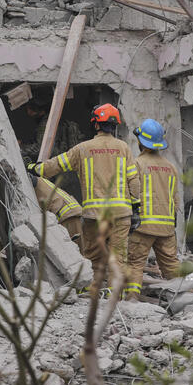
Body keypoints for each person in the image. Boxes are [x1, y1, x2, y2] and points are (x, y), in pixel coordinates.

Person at [27, 103, 140, 296]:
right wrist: (136, 208)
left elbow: (54, 166)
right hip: (121, 214)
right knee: (118, 257)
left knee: (92, 255)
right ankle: (115, 295)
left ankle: (91, 292)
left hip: (94, 216)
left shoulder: (83, 149)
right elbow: (134, 180)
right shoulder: (124, 148)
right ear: (115, 126)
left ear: (96, 124)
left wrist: (33, 168)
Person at [126, 118, 181, 300]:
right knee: (171, 265)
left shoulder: (136, 164)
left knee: (135, 264)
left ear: (140, 141)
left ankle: (132, 299)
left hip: (143, 226)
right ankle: (183, 299)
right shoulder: (171, 168)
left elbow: (130, 194)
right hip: (166, 228)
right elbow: (175, 200)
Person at [31, 174, 83, 249]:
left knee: (75, 248)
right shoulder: (43, 182)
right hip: (71, 213)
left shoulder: (36, 184)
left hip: (69, 216)